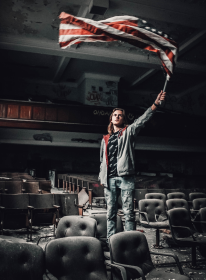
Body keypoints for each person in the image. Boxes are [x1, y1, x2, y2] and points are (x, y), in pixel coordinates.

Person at [99, 90, 166, 242]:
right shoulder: (105, 139)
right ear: (111, 119)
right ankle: (111, 242)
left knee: (128, 212)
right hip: (109, 179)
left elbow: (143, 119)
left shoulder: (129, 131)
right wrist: (101, 176)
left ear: (123, 119)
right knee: (110, 212)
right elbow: (102, 161)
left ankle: (129, 242)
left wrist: (155, 104)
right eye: (114, 115)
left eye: (120, 115)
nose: (117, 116)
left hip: (125, 177)